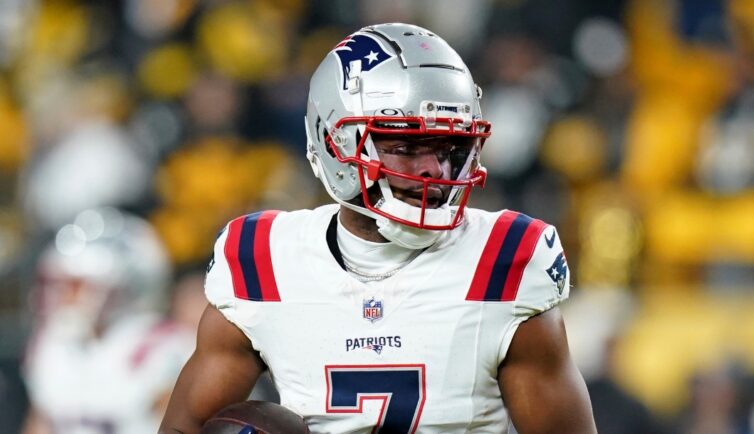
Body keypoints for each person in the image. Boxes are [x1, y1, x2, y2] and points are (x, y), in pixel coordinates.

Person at [160, 23, 596, 433]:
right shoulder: (264, 259)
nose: (433, 168)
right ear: (335, 143)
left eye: (449, 147)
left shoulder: (504, 262)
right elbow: (183, 427)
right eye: (406, 146)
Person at [23, 208, 195, 434]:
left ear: (125, 288)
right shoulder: (53, 345)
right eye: (59, 285)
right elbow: (40, 425)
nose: (65, 297)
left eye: (77, 285)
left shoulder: (164, 347)